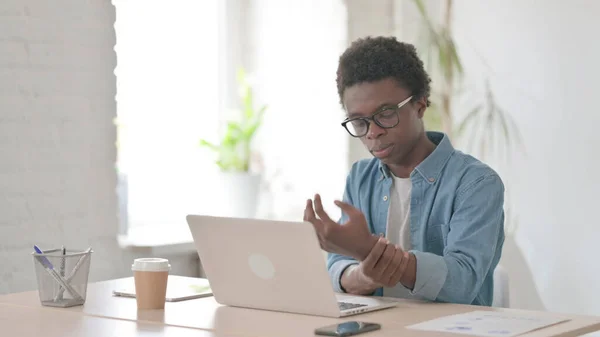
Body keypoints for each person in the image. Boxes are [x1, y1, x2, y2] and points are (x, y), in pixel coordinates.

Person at [303, 36, 505, 306]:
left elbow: (462, 283)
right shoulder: (361, 178)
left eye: (386, 114)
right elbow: (339, 267)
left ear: (420, 105)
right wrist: (363, 275)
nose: (373, 132)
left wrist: (367, 250)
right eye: (358, 121)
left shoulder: (476, 183)